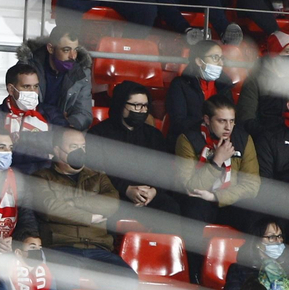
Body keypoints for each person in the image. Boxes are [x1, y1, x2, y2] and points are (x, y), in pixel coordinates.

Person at [31, 129, 128, 278]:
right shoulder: (41, 177)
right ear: (57, 151)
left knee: (128, 279)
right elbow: (50, 208)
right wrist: (89, 218)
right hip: (62, 247)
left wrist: (74, 202)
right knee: (67, 282)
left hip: (98, 247)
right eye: (74, 147)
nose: (80, 152)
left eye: (83, 147)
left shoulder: (98, 176)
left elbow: (112, 203)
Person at [87, 82, 178, 217]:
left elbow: (164, 171)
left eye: (144, 106)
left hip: (149, 195)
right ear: (121, 105)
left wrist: (153, 191)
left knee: (170, 207)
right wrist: (126, 189)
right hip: (114, 193)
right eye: (136, 105)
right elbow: (96, 172)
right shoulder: (99, 133)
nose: (141, 110)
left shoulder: (154, 135)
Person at [176, 97, 260, 232]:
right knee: (193, 207)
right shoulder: (188, 139)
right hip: (200, 202)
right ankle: (194, 253)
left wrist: (216, 197)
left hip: (230, 200)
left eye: (232, 121)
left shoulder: (243, 139)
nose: (228, 127)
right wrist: (217, 162)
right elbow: (190, 187)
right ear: (207, 120)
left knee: (255, 212)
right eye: (222, 121)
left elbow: (252, 186)